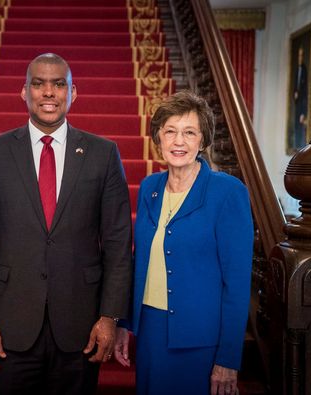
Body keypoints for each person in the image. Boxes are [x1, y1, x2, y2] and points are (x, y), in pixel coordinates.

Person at [0, 53, 132, 395]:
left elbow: (117, 244)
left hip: (81, 325)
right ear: (24, 92)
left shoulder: (103, 153)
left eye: (59, 84)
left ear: (73, 93)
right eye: (38, 84)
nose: (49, 92)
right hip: (9, 326)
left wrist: (110, 317)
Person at [114, 91, 254, 395]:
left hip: (200, 339)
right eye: (170, 131)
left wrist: (228, 358)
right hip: (150, 331)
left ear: (203, 141)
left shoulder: (228, 192)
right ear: (159, 138)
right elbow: (139, 262)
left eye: (189, 132)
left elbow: (238, 283)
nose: (179, 142)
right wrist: (125, 323)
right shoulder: (150, 186)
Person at [292, 46, 308, 150]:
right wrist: (295, 94)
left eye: (302, 55)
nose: (300, 57)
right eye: (299, 55)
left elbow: (305, 93)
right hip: (297, 104)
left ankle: (300, 147)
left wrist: (303, 112)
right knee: (296, 126)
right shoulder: (297, 70)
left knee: (301, 126)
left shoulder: (305, 71)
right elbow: (295, 88)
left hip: (302, 105)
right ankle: (296, 146)